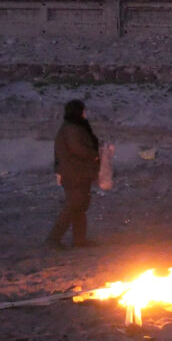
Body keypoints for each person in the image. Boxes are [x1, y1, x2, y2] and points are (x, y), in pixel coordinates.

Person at [45, 99, 101, 250]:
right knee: (74, 205)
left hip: (75, 172)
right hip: (76, 173)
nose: (85, 113)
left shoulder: (69, 128)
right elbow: (78, 148)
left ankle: (80, 240)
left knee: (79, 206)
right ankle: (53, 239)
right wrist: (95, 154)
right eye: (83, 110)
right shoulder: (73, 129)